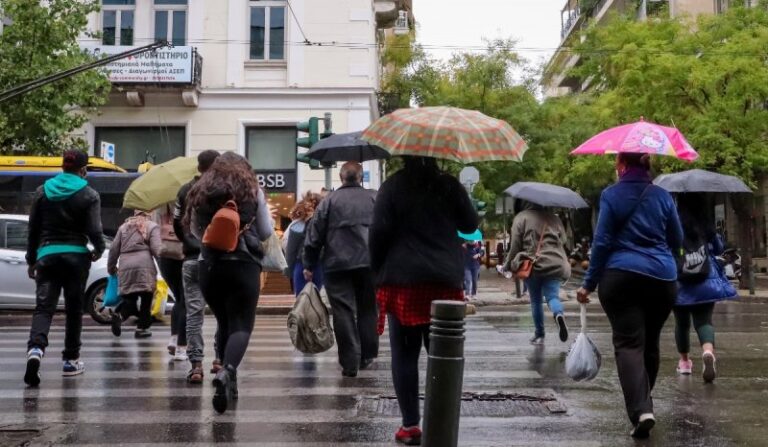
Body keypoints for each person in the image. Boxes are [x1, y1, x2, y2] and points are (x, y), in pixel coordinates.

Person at [371, 156, 477, 445]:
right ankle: (440, 421)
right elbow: (470, 224)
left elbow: (378, 233)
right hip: (444, 279)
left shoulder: (392, 186)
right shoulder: (448, 185)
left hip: (403, 279)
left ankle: (410, 426)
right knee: (442, 354)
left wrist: (378, 271)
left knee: (404, 354)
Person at [576, 153, 683, 439]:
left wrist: (589, 283)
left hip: (621, 276)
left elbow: (602, 241)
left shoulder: (611, 194)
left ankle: (641, 409)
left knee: (628, 343)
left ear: (622, 166)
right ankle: (644, 404)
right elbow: (677, 239)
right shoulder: (663, 196)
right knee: (650, 343)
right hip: (662, 277)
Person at [186, 152, 273, 414]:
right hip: (244, 263)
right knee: (241, 325)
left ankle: (228, 381)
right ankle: (227, 372)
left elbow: (194, 231)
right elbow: (267, 230)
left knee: (224, 321)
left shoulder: (200, 190)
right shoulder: (252, 190)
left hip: (209, 265)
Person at [24, 150, 105, 386]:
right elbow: (94, 229)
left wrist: (32, 260)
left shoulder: (42, 191)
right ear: (83, 169)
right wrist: (98, 249)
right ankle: (71, 360)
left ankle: (35, 351)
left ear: (62, 167)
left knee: (44, 308)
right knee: (73, 309)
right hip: (76, 258)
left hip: (47, 256)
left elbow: (33, 230)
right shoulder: (89, 194)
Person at [303, 161, 378, 378]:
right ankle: (367, 355)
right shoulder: (374, 198)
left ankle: (349, 362)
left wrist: (309, 264)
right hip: (369, 263)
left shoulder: (329, 201)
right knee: (368, 308)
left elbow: (314, 236)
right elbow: (386, 229)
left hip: (337, 264)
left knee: (342, 311)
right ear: (361, 177)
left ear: (341, 177)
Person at [673, 193, 737, 383]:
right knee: (704, 321)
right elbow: (718, 248)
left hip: (679, 281)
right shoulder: (705, 222)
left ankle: (684, 363)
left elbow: (666, 245)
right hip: (705, 279)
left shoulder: (673, 221)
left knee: (681, 324)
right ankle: (708, 351)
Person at [173, 150, 220, 384]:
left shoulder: (184, 190)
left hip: (192, 258)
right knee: (224, 313)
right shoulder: (222, 190)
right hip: (218, 258)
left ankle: (196, 365)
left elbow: (176, 222)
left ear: (199, 167)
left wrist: (189, 242)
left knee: (194, 313)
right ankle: (220, 359)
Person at [504, 199, 571, 345]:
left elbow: (515, 245)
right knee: (553, 297)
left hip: (533, 265)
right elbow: (564, 240)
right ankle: (558, 314)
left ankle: (539, 334)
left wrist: (507, 265)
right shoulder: (554, 218)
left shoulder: (521, 218)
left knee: (536, 301)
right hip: (555, 264)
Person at [108, 211, 162, 338]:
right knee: (146, 298)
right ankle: (142, 328)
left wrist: (111, 267)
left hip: (126, 266)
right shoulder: (152, 226)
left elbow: (113, 249)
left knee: (130, 298)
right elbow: (156, 249)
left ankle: (120, 316)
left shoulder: (123, 227)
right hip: (144, 266)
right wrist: (164, 264)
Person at [156, 204, 187, 361]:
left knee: (178, 299)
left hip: (166, 255)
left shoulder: (163, 205)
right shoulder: (189, 201)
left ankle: (174, 338)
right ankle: (182, 347)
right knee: (185, 300)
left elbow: (156, 228)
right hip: (184, 253)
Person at [284, 191, 324, 295]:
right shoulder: (324, 224)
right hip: (320, 264)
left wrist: (289, 271)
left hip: (301, 264)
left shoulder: (297, 225)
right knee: (318, 299)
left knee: (302, 301)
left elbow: (290, 251)